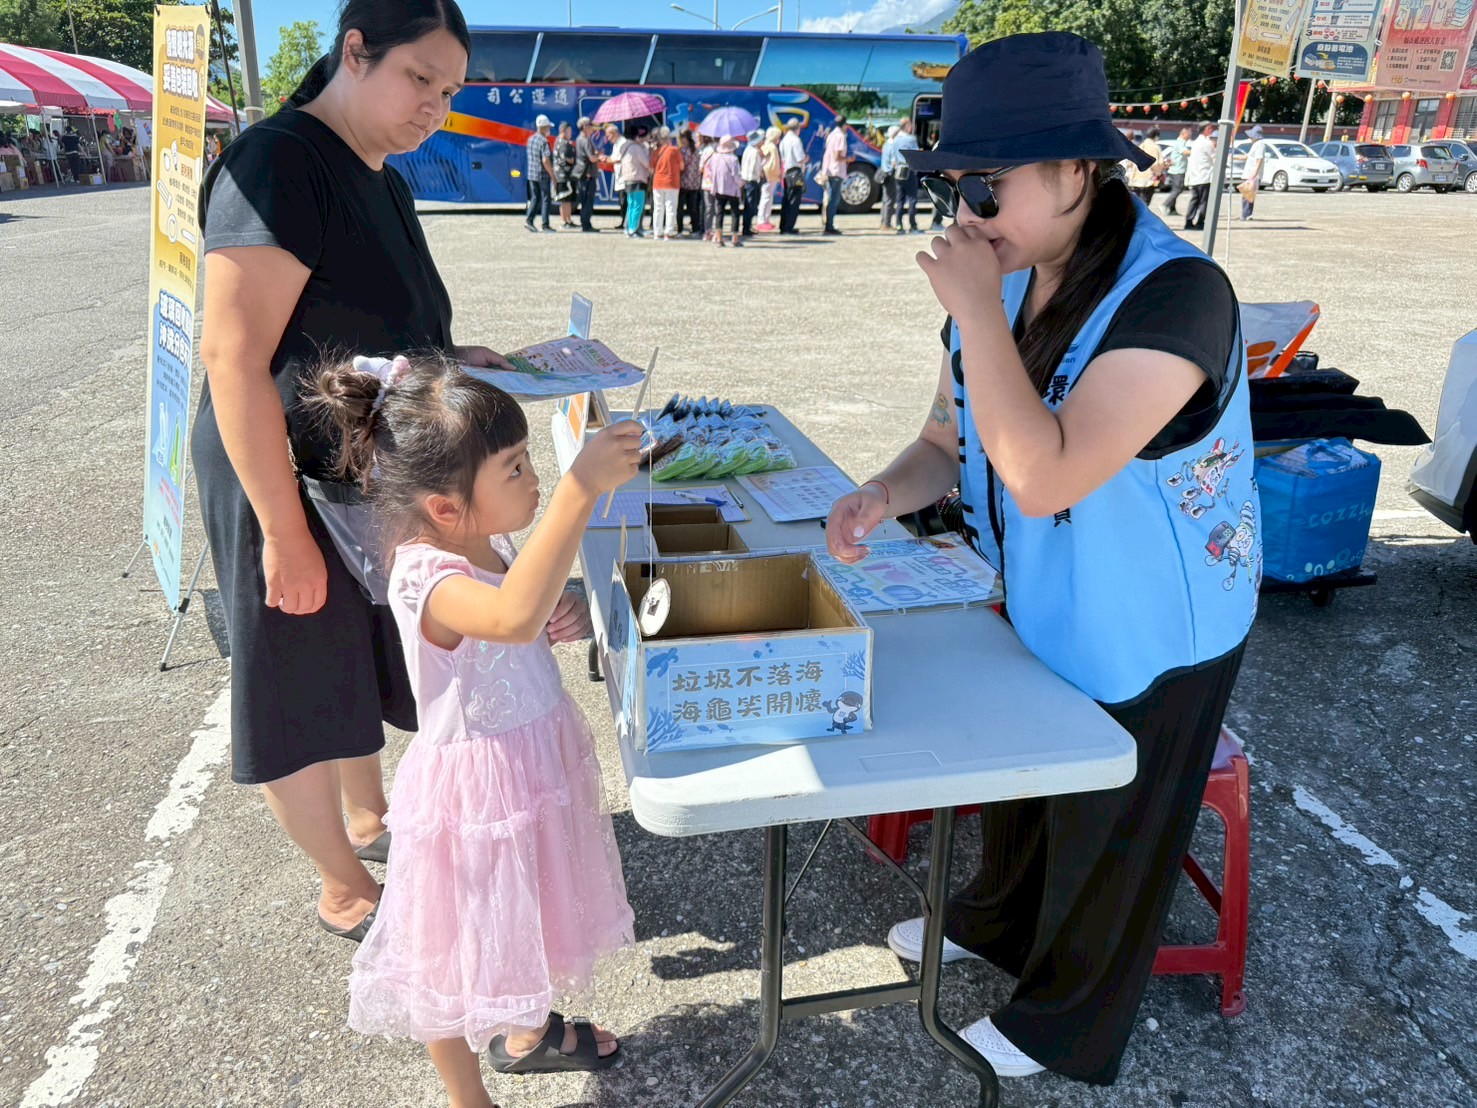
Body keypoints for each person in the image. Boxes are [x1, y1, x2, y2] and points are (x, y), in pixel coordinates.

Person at [828, 32, 1255, 1086]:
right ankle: (993, 922)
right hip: (1042, 591)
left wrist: (973, 310)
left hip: (1156, 613)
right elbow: (947, 437)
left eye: (985, 188)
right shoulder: (1010, 279)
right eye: (954, 188)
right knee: (1019, 779)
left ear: (1077, 168)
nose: (965, 214)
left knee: (1114, 820)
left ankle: (1065, 1018)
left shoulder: (1176, 295)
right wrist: (883, 493)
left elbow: (1045, 474)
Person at [193, 0, 516, 946]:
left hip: (363, 466)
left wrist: (461, 357)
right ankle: (342, 882)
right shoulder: (279, 160)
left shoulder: (382, 176)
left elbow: (379, 322)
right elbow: (231, 356)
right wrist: (285, 534)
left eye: (451, 92)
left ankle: (370, 817)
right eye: (420, 79)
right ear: (355, 53)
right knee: (295, 677)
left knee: (364, 648)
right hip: (280, 475)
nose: (435, 108)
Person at [304, 352, 640, 1104]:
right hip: (474, 788)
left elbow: (525, 610)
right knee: (448, 953)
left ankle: (523, 1032)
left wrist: (566, 609)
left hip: (529, 760)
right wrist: (580, 490)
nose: (534, 481)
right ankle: (467, 1097)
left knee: (524, 918)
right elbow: (506, 612)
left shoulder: (488, 539)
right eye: (515, 469)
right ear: (447, 508)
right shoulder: (424, 575)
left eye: (528, 464)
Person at [709, 135, 743, 248]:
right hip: (732, 189)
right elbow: (736, 176)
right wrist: (741, 183)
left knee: (719, 213)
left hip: (719, 188)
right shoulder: (733, 159)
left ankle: (719, 238)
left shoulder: (715, 157)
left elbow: (712, 173)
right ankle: (735, 239)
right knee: (735, 213)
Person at [1183, 122, 1217, 231]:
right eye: (1209, 128)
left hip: (1195, 175)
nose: (1211, 129)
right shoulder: (1206, 143)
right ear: (1205, 129)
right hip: (1204, 175)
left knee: (1194, 200)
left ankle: (1189, 221)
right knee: (1203, 201)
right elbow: (1215, 157)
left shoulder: (1196, 142)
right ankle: (1200, 222)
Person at [651, 127, 683, 240]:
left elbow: (651, 168)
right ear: (669, 138)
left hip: (657, 182)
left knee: (658, 208)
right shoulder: (674, 150)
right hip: (672, 182)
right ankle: (668, 232)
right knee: (670, 207)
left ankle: (657, 232)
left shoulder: (656, 152)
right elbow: (682, 166)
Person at [819, 114, 850, 234]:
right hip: (836, 171)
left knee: (829, 197)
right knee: (834, 199)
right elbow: (838, 156)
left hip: (829, 169)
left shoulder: (831, 135)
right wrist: (848, 159)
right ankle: (829, 225)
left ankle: (828, 223)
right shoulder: (840, 136)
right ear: (844, 125)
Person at [619, 124, 650, 238]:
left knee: (631, 205)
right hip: (638, 179)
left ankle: (629, 228)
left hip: (627, 179)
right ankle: (634, 229)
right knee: (638, 206)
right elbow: (646, 163)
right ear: (636, 136)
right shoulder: (636, 148)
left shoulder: (624, 146)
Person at [524, 114, 554, 233]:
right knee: (546, 199)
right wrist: (552, 174)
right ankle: (545, 225)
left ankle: (529, 220)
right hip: (542, 175)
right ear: (543, 127)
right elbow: (545, 160)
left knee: (535, 198)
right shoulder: (544, 141)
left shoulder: (531, 139)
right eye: (548, 127)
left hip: (532, 174)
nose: (549, 129)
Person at [893, 118, 922, 235]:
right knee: (912, 199)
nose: (912, 127)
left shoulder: (896, 139)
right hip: (909, 171)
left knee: (899, 200)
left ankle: (899, 225)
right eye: (911, 125)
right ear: (907, 126)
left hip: (898, 171)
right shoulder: (911, 139)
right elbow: (915, 154)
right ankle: (913, 225)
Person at [778, 117, 806, 234]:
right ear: (797, 129)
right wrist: (806, 158)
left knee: (787, 199)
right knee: (794, 201)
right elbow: (800, 158)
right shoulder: (796, 140)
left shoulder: (784, 140)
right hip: (795, 172)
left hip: (787, 172)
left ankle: (783, 225)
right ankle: (789, 227)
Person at [573, 117, 599, 232]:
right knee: (588, 201)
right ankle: (586, 225)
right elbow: (592, 158)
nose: (592, 128)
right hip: (588, 174)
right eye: (590, 126)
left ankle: (585, 223)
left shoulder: (579, 139)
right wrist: (599, 157)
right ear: (584, 127)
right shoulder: (586, 140)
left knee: (583, 200)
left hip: (581, 174)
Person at [1161, 126, 1192, 217]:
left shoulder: (1181, 142)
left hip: (1176, 169)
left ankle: (1172, 209)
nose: (1190, 135)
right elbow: (1185, 152)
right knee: (1178, 189)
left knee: (1175, 189)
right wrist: (1198, 151)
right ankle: (1165, 204)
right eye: (1189, 133)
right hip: (1177, 170)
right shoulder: (1180, 142)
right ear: (1183, 134)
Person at [1128, 127, 1164, 205]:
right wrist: (1159, 174)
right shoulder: (1155, 147)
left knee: (1137, 204)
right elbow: (1156, 164)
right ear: (1156, 136)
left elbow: (1131, 162)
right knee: (1145, 204)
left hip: (1135, 179)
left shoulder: (1141, 145)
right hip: (1148, 179)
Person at [676, 128, 702, 236]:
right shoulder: (696, 150)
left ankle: (680, 229)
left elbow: (681, 167)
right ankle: (696, 228)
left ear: (684, 138)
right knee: (693, 207)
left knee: (680, 208)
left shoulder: (682, 151)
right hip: (694, 183)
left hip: (683, 183)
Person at [740, 128, 765, 237]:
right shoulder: (754, 152)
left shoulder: (747, 149)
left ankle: (747, 226)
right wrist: (758, 175)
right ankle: (746, 228)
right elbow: (753, 168)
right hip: (752, 181)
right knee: (751, 205)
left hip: (746, 180)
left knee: (747, 205)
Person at [552, 120, 577, 228]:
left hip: (563, 175)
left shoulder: (557, 141)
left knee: (567, 200)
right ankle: (564, 221)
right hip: (563, 175)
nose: (570, 133)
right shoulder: (563, 143)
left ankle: (568, 219)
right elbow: (569, 160)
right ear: (563, 131)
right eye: (569, 131)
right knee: (564, 200)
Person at [758, 125, 782, 230]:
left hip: (767, 176)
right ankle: (762, 220)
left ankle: (765, 220)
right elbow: (773, 164)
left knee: (767, 198)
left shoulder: (766, 145)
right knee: (766, 198)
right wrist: (779, 173)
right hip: (770, 176)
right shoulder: (772, 147)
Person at [602, 123, 626, 230]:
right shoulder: (616, 144)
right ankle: (624, 220)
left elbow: (618, 159)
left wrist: (606, 160)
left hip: (624, 176)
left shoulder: (623, 143)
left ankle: (626, 221)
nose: (607, 138)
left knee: (624, 201)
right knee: (621, 201)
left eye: (608, 136)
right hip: (619, 176)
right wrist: (606, 158)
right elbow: (613, 157)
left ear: (614, 133)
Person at [879, 124, 901, 229]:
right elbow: (894, 162)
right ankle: (887, 224)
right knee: (890, 199)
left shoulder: (886, 144)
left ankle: (883, 221)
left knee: (885, 199)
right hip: (890, 174)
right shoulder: (894, 146)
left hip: (884, 173)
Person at [1239, 136, 1265, 221]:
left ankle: (1246, 214)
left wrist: (1254, 173)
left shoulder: (1259, 144)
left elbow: (1259, 159)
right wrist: (1232, 157)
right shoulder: (1255, 144)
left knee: (1248, 194)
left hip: (1252, 174)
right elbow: (1248, 156)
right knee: (1247, 194)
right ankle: (1246, 214)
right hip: (1250, 174)